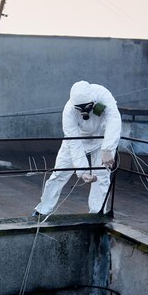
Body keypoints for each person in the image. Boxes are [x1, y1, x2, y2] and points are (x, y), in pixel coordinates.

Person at [34, 80, 122, 216]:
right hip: (79, 138)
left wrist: (107, 148)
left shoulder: (102, 95)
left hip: (101, 138)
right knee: (59, 173)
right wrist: (82, 171)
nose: (83, 111)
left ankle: (97, 213)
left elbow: (114, 119)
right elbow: (73, 141)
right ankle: (42, 210)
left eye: (86, 107)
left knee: (102, 177)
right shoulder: (69, 111)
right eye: (79, 108)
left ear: (93, 101)